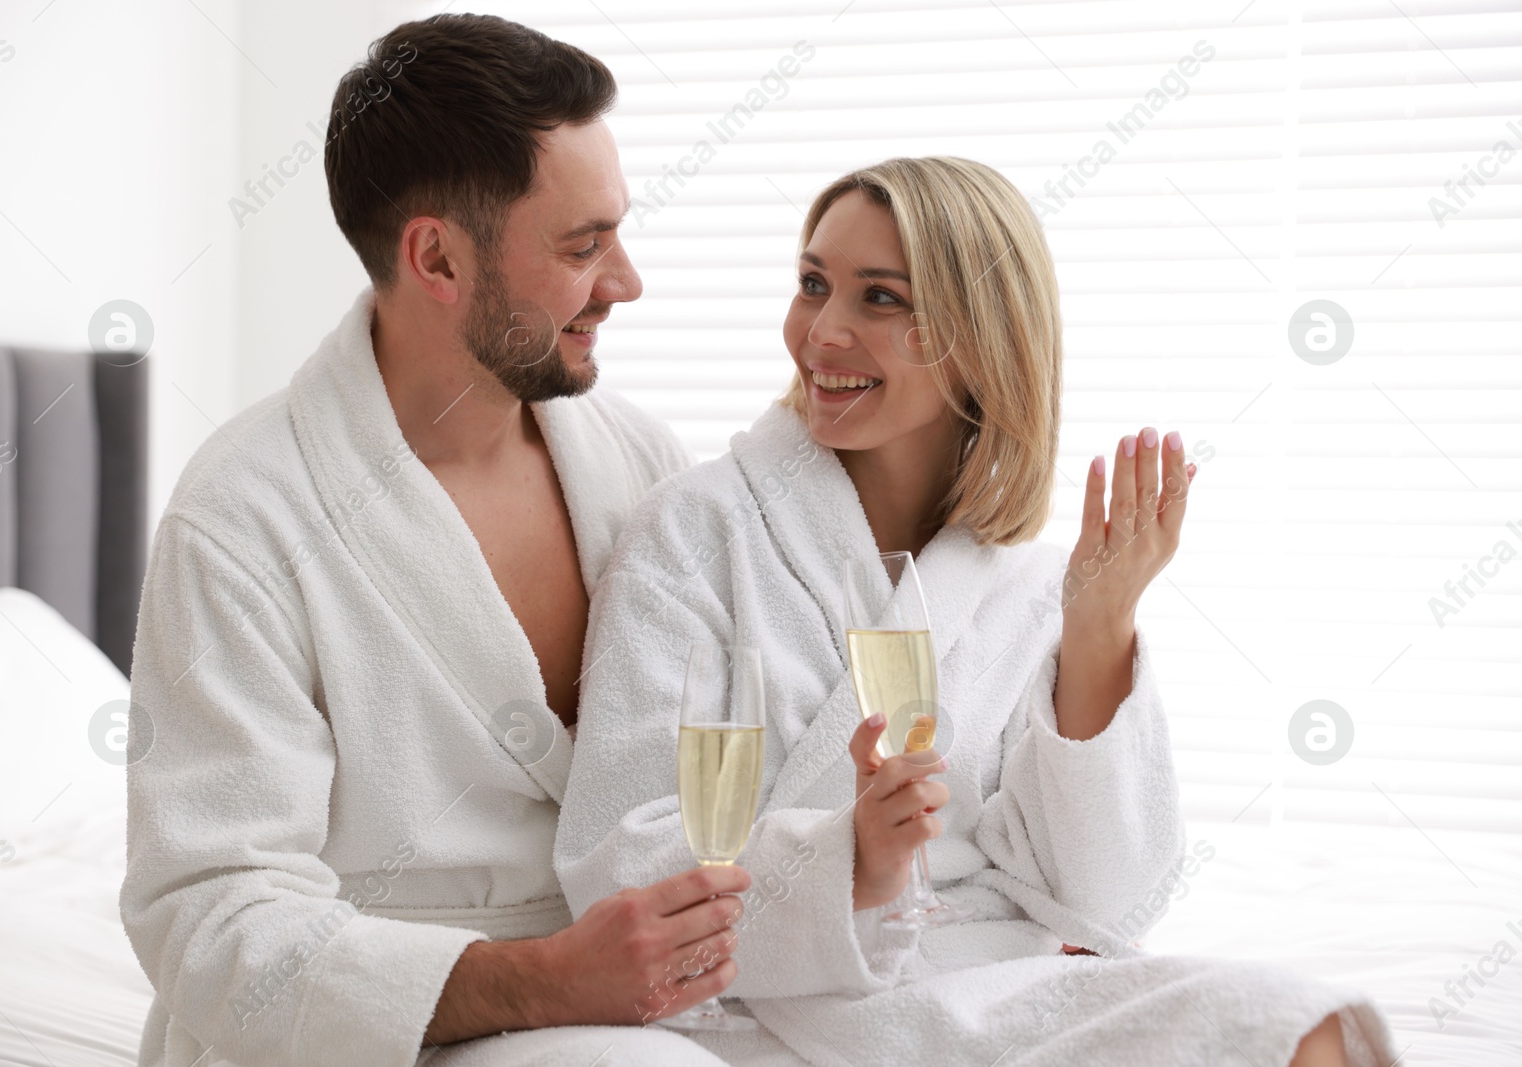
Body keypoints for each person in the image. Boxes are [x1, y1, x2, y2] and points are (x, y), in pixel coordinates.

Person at [556, 157, 1398, 1065]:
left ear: (982, 338)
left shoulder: (1030, 584)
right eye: (813, 285)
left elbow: (1108, 898)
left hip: (999, 984)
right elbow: (616, 864)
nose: (823, 332)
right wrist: (853, 861)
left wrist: (1099, 625)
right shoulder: (693, 533)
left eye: (881, 298)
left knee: (1308, 1026)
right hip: (789, 1005)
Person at [121, 15, 748, 1067]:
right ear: (437, 257)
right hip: (358, 1027)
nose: (626, 280)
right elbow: (211, 922)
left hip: (624, 995)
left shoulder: (642, 462)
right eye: (582, 246)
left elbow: (734, 767)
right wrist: (547, 979)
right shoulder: (242, 517)